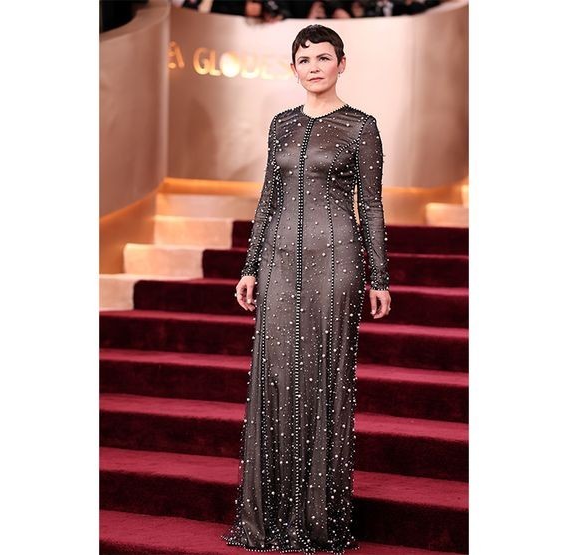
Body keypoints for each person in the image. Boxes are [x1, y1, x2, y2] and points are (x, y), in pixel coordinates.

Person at [221, 24, 392, 554]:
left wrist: (378, 276)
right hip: (275, 264)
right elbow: (268, 197)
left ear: (342, 63)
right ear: (293, 68)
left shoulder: (361, 127)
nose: (314, 66)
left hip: (335, 262)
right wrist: (249, 265)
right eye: (304, 59)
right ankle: (269, 517)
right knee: (275, 375)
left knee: (322, 377)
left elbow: (372, 205)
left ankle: (317, 517)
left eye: (323, 57)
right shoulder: (280, 125)